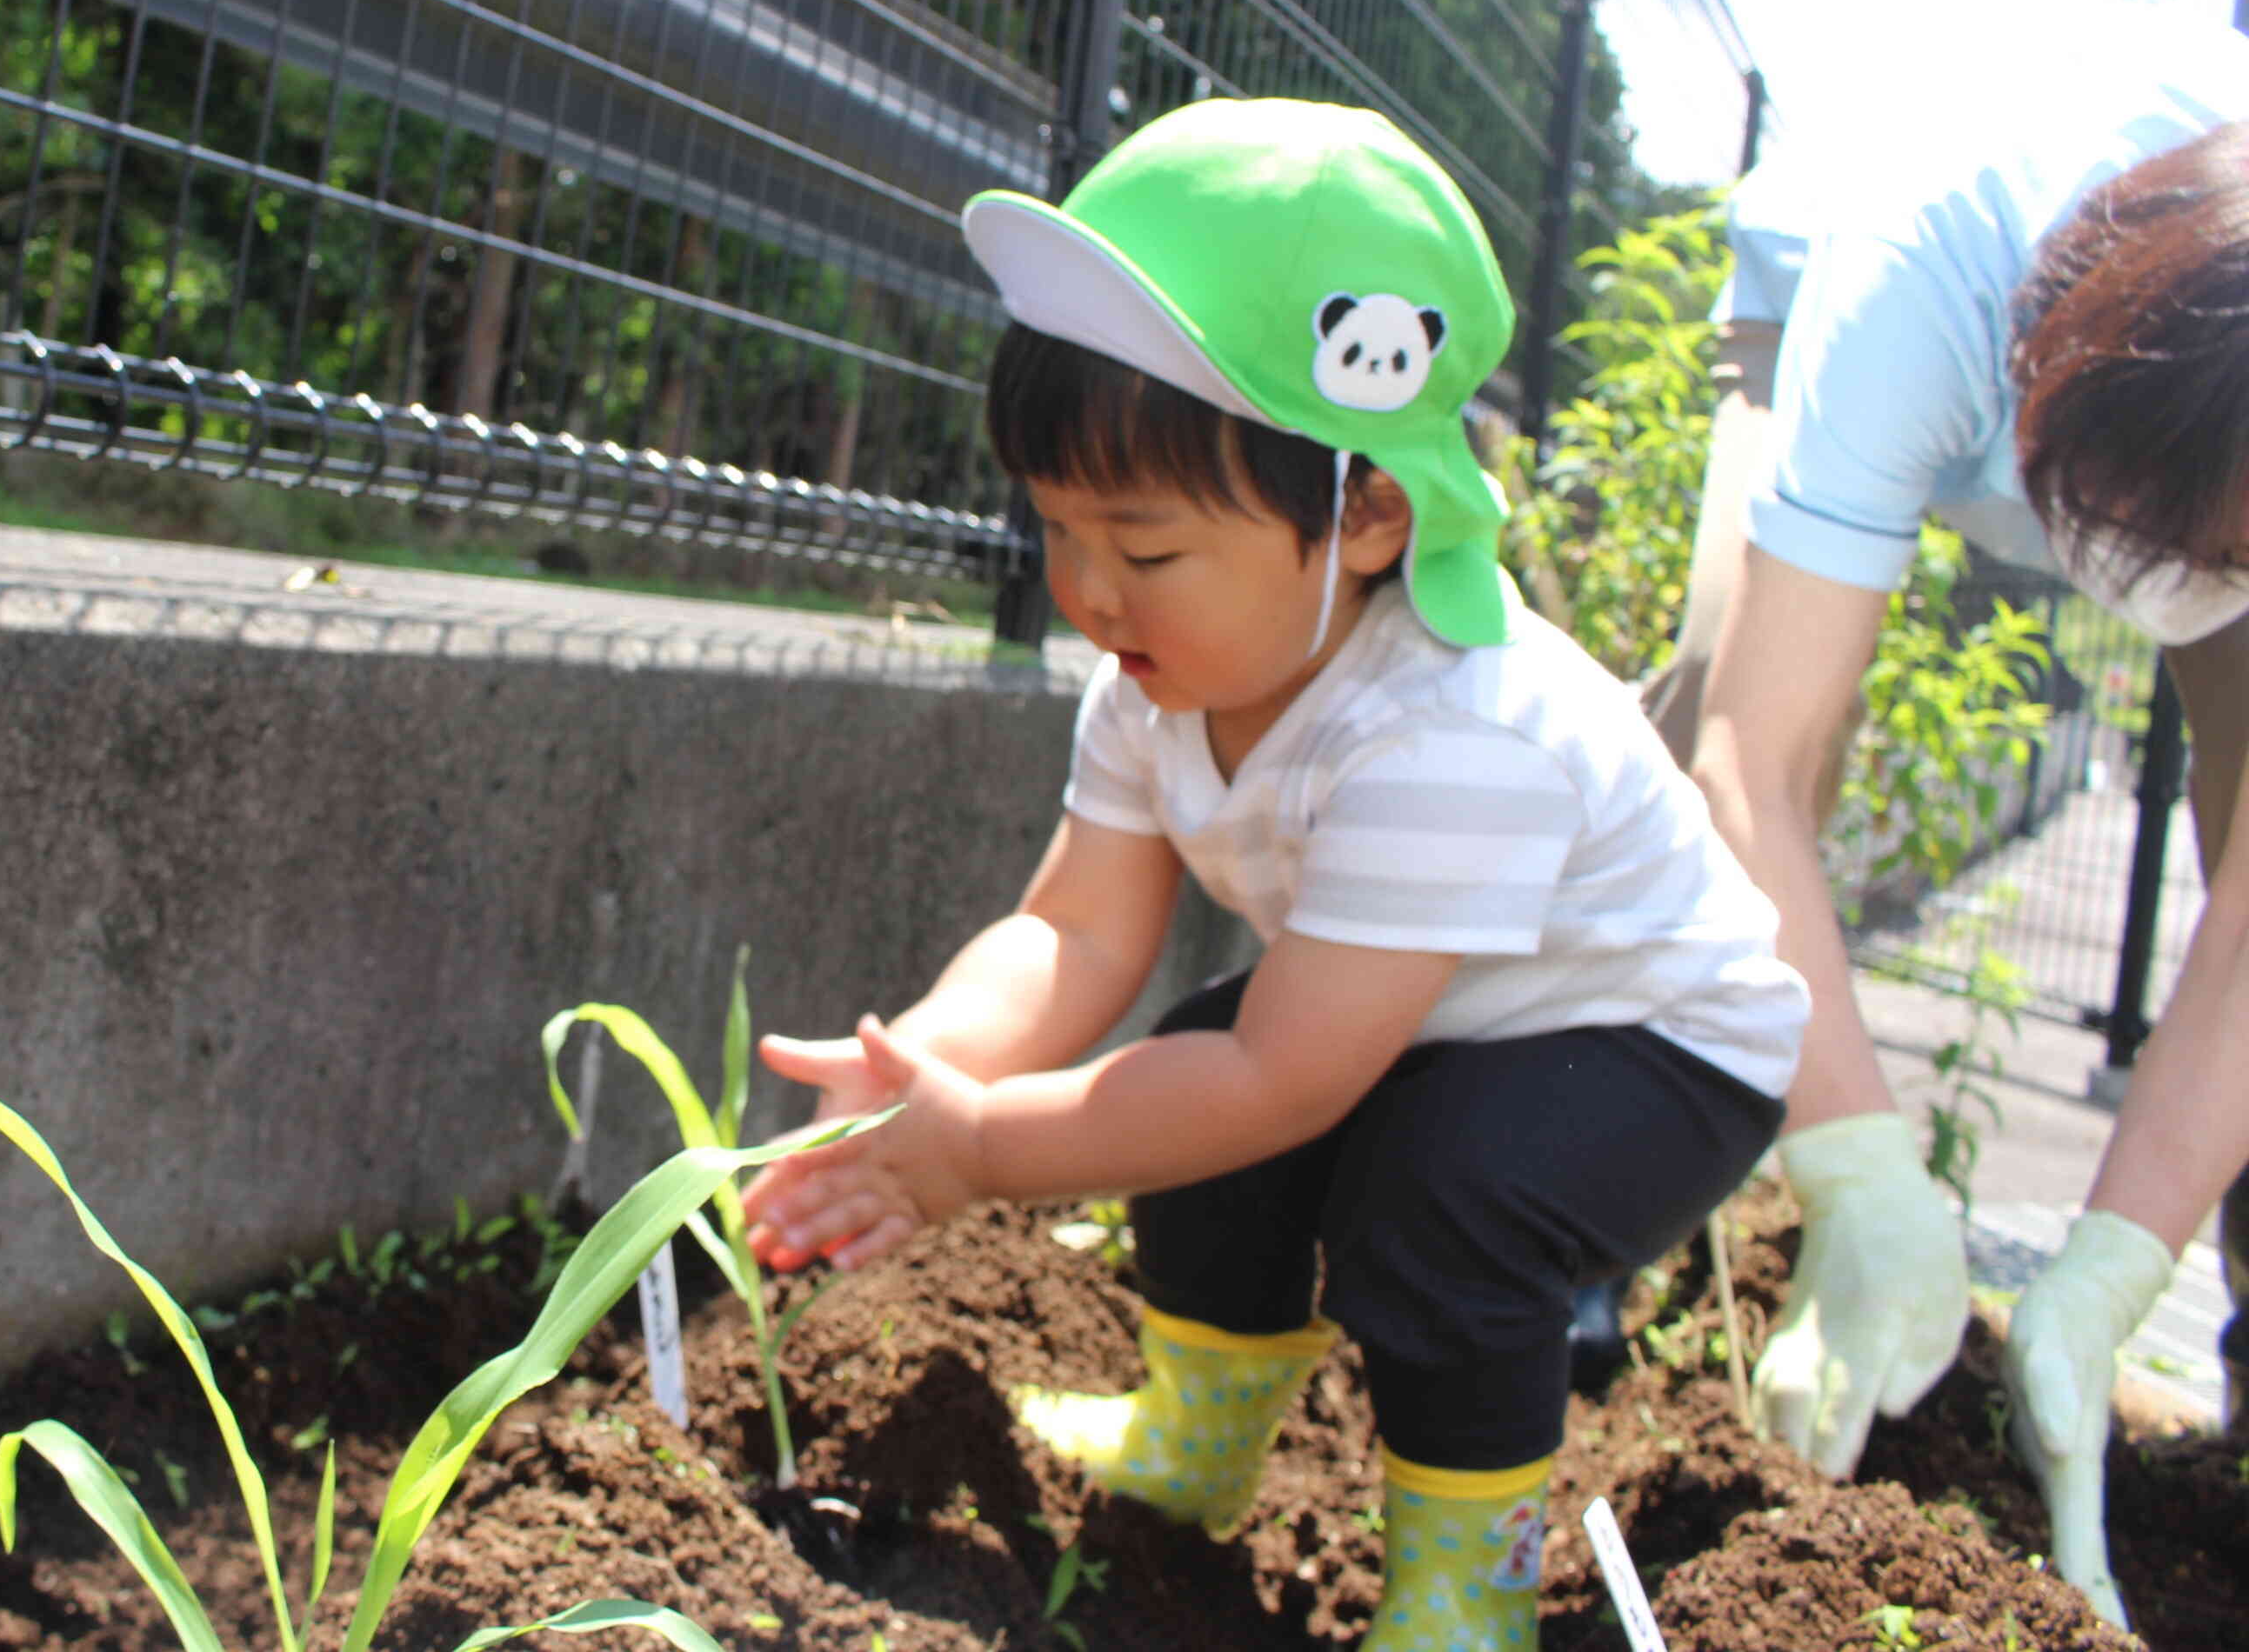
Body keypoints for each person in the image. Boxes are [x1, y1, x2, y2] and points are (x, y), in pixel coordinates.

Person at [736, 97, 1808, 1652]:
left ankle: (1467, 1585)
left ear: (1364, 512)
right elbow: (1074, 928)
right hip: (1434, 1015)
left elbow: (1288, 1076)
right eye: (1056, 528)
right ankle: (1200, 1443)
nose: (1089, 590)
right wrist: (935, 1072)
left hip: (1660, 1045)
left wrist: (983, 1155)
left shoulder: (1457, 727)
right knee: (1188, 1081)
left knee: (1442, 1196)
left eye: (1147, 547)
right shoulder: (1152, 678)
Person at [1645, 27, 2249, 1629]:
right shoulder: (1926, 272)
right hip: (1856, 294)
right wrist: (1860, 1177)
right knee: (1720, 722)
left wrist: (2119, 1264)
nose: (2187, 593)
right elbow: (1751, 763)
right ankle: (1596, 1245)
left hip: (2207, 431)